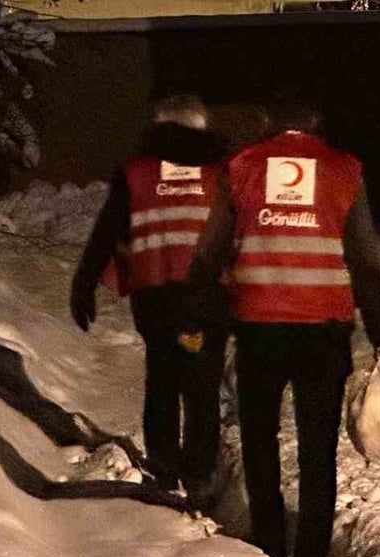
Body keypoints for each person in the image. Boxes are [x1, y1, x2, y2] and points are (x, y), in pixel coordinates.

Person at [186, 99, 380, 557]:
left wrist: (196, 317)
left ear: (265, 121)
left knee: (259, 434)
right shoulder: (345, 170)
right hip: (324, 329)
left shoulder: (242, 167)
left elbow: (211, 251)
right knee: (318, 446)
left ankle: (269, 539)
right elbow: (364, 259)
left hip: (258, 326)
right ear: (316, 123)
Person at [69, 94, 230, 512]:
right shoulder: (222, 174)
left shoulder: (136, 173)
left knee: (162, 378)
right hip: (210, 295)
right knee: (202, 387)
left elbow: (107, 231)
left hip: (155, 293)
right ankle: (200, 475)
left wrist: (84, 285)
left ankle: (164, 465)